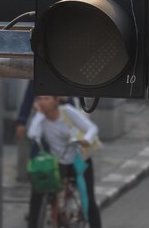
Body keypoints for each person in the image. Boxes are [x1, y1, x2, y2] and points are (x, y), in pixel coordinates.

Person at [27, 95, 102, 228]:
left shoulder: (67, 111)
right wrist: (39, 114)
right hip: (57, 164)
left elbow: (92, 128)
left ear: (56, 100)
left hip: (78, 162)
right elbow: (33, 134)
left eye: (46, 98)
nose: (42, 102)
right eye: (39, 99)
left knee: (89, 199)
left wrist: (87, 140)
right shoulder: (41, 118)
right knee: (38, 190)